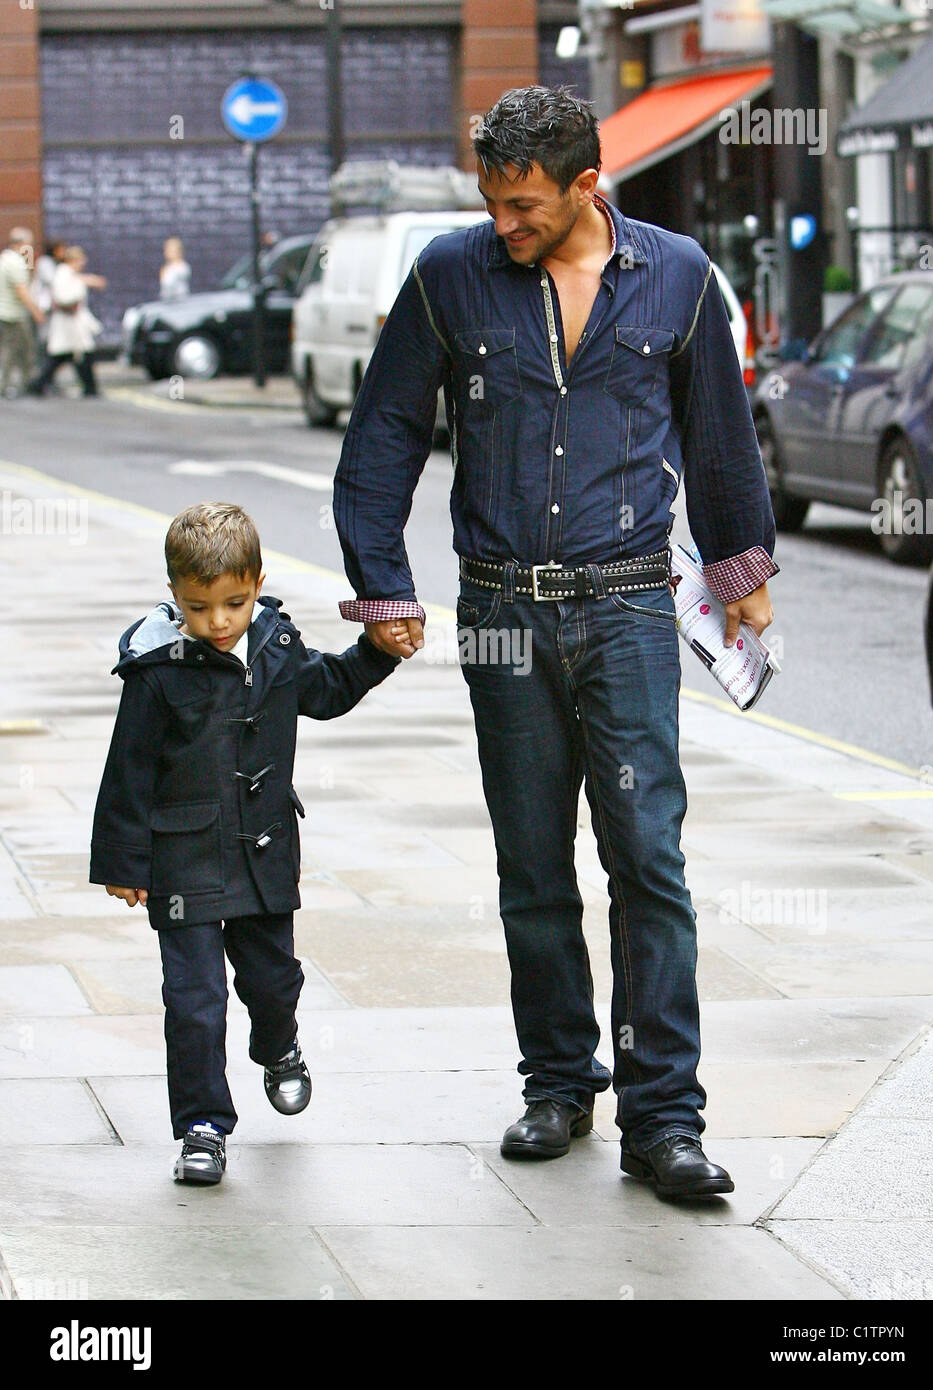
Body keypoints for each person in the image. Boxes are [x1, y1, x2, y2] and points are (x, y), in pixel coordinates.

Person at [333, 86, 777, 1200]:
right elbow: (384, 429)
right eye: (488, 197)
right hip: (497, 614)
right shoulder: (448, 272)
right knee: (532, 863)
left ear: (587, 185)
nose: (502, 220)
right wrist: (379, 582)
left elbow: (720, 438)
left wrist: (741, 577)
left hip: (630, 605)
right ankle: (556, 1082)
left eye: (522, 202)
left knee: (649, 863)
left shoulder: (676, 275)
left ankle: (664, 1117)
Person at [89, 502, 401, 1184]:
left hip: (262, 853)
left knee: (272, 981)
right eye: (200, 608)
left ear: (257, 583)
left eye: (233, 603)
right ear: (175, 596)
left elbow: (328, 690)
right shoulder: (155, 669)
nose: (219, 623)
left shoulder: (277, 646)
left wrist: (376, 652)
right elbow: (129, 769)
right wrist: (123, 861)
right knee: (193, 1000)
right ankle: (202, 1126)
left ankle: (279, 1043)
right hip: (182, 860)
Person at [30, 246, 106, 397]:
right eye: (80, 260)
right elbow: (63, 297)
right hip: (67, 323)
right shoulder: (63, 274)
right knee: (65, 357)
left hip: (72, 324)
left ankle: (89, 388)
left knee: (75, 355)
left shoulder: (70, 274)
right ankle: (39, 384)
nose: (82, 263)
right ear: (72, 260)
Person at [0, 228, 44, 398]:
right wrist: (36, 312)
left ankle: (9, 384)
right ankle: (21, 384)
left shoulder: (4, 258)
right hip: (13, 315)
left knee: (9, 350)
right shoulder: (16, 262)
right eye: (29, 244)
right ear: (22, 244)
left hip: (5, 313)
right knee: (22, 351)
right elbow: (22, 291)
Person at [159, 237, 191, 301]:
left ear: (179, 251)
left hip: (179, 301)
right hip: (167, 300)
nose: (166, 252)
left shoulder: (182, 267)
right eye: (166, 249)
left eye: (170, 250)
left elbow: (169, 284)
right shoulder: (168, 267)